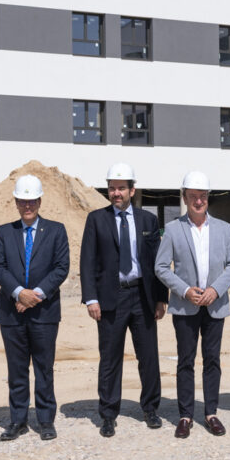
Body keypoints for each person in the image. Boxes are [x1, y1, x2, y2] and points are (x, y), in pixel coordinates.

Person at [80, 162, 167, 437]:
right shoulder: (96, 220)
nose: (116, 193)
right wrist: (91, 299)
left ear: (132, 189)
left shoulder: (148, 221)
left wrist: (160, 298)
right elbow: (87, 261)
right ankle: (108, 414)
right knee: (110, 359)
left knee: (148, 357)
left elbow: (157, 263)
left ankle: (150, 409)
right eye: (111, 188)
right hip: (110, 298)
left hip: (142, 296)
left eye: (121, 188)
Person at [155, 171, 230, 439]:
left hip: (215, 305)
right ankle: (185, 415)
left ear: (208, 197)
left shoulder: (224, 229)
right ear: (184, 197)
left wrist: (216, 289)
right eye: (193, 196)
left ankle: (211, 413)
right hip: (186, 306)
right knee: (186, 361)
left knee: (212, 360)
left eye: (202, 196)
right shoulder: (173, 229)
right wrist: (184, 290)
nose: (198, 201)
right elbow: (161, 266)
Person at [0, 174, 70, 441]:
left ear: (39, 201)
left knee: (44, 368)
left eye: (32, 201)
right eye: (23, 201)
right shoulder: (4, 232)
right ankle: (18, 420)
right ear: (16, 202)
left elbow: (61, 267)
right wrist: (18, 293)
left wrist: (34, 295)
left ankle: (46, 421)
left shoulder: (56, 231)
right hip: (11, 312)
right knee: (16, 370)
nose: (27, 206)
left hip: (44, 312)